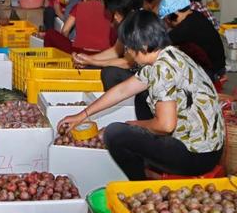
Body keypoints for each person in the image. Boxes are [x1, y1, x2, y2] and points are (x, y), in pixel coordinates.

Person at [60, 10, 224, 180]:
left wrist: (135, 125)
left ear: (144, 47)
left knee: (115, 134)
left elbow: (166, 125)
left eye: (129, 48)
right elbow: (123, 90)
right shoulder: (167, 54)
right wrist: (82, 115)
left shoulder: (163, 69)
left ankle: (140, 182)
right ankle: (149, 166)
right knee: (140, 98)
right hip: (206, 147)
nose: (128, 53)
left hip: (196, 154)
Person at [72, 0, 151, 119]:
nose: (114, 18)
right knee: (91, 67)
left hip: (144, 80)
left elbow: (128, 62)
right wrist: (88, 59)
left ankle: (121, 110)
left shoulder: (140, 25)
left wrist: (93, 60)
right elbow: (116, 51)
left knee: (110, 72)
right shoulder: (127, 24)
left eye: (116, 13)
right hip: (135, 74)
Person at [159, 0, 226, 81]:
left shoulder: (186, 26)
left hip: (210, 71)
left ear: (175, 13)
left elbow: (159, 43)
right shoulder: (194, 15)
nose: (169, 23)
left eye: (168, 19)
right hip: (217, 66)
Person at [43, 0, 114, 54]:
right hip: (105, 54)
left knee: (50, 34)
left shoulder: (79, 7)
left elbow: (65, 31)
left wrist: (67, 45)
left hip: (81, 53)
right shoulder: (109, 8)